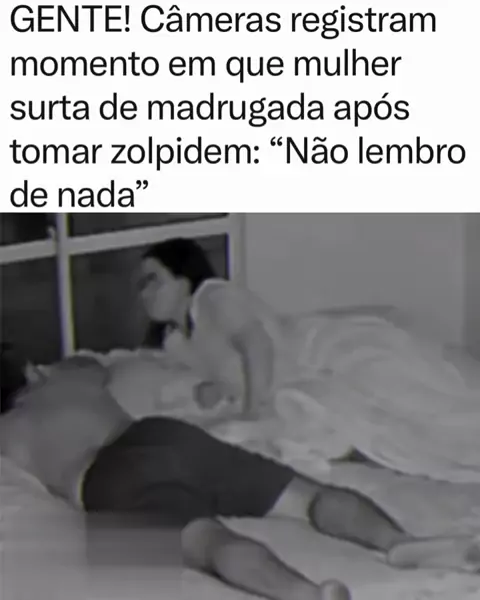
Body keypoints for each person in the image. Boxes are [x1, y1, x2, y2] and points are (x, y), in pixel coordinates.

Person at [2, 360, 480, 600]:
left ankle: (305, 595)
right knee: (308, 497)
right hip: (162, 434)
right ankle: (399, 542)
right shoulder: (68, 382)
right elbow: (98, 365)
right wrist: (48, 372)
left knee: (207, 542)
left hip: (103, 478)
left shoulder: (9, 433)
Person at [138, 238, 480, 485]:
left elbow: (257, 346)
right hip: (294, 383)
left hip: (321, 354)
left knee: (423, 405)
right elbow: (223, 373)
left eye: (153, 280)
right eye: (141, 286)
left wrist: (253, 409)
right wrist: (213, 390)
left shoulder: (214, 296)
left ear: (183, 279)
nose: (145, 293)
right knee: (385, 438)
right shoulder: (178, 340)